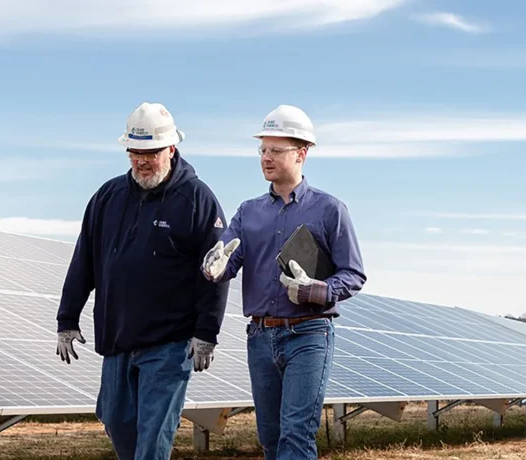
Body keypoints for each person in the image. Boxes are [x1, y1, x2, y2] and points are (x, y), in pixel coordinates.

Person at [54, 101, 231, 459]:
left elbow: (216, 271)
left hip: (169, 344)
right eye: (135, 152)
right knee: (117, 422)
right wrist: (67, 318)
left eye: (150, 152)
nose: (142, 161)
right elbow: (83, 260)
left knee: (153, 438)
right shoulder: (107, 197)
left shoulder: (198, 200)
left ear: (171, 149)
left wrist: (206, 333)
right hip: (117, 338)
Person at [200, 104, 367, 459]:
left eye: (276, 150)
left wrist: (316, 290)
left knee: (295, 434)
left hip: (309, 334)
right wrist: (213, 267)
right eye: (262, 150)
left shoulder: (329, 210)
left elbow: (353, 274)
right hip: (260, 337)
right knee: (271, 438)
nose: (266, 157)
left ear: (302, 153)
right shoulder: (248, 212)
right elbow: (227, 262)